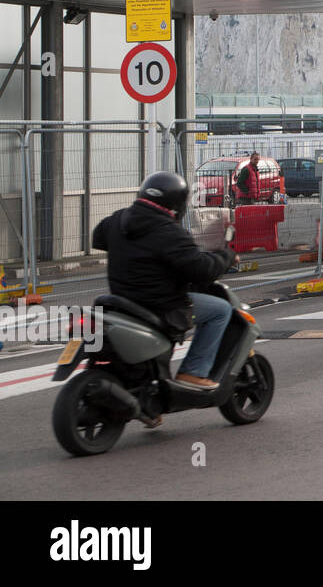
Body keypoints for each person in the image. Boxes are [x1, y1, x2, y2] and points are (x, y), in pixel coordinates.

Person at [92, 172, 238, 414]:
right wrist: (227, 256)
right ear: (177, 204)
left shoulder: (118, 220)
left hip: (122, 301)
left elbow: (98, 237)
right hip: (161, 304)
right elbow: (202, 270)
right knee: (220, 310)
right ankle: (195, 372)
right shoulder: (169, 232)